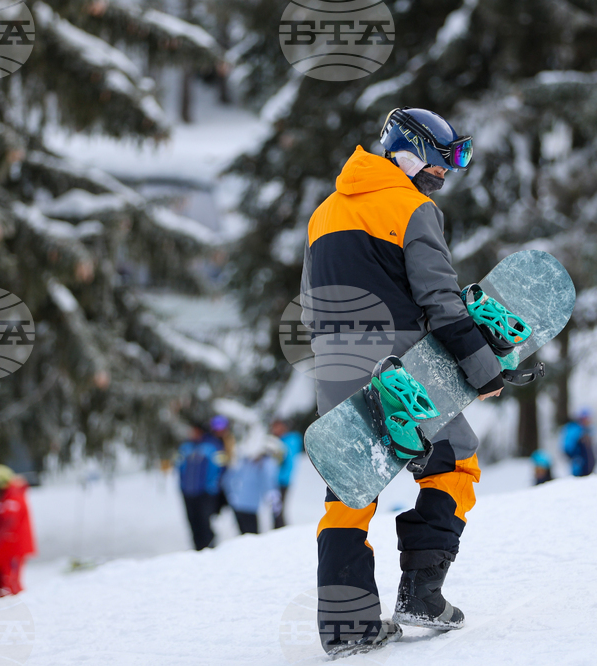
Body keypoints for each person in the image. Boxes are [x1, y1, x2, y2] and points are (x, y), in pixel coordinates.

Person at [302, 108, 504, 654]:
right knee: (454, 460)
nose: (442, 177)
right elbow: (440, 301)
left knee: (350, 482)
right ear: (408, 154)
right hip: (401, 364)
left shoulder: (324, 212)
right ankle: (422, 593)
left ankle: (346, 626)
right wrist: (483, 370)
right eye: (439, 167)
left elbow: (310, 306)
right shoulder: (413, 208)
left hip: (335, 363)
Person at [0, 465, 36, 598]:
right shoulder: (2, 498)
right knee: (4, 580)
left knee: (13, 582)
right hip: (5, 548)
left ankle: (22, 608)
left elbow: (9, 525)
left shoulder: (12, 498)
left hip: (14, 547)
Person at [177, 424, 227, 550]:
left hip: (205, 493)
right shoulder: (185, 447)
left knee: (204, 520)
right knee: (192, 520)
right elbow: (179, 466)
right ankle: (197, 547)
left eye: (194, 431)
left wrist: (212, 486)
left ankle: (209, 546)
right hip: (188, 492)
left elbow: (221, 466)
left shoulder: (212, 445)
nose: (192, 434)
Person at [222, 430, 283, 535]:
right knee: (246, 533)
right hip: (240, 504)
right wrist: (231, 494)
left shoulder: (265, 464)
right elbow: (229, 478)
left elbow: (268, 481)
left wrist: (271, 495)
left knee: (251, 534)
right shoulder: (246, 462)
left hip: (250, 505)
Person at [271, 418, 303, 529]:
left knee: (277, 509)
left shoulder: (287, 441)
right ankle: (279, 530)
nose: (275, 430)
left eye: (278, 427)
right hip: (279, 480)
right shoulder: (284, 441)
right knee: (276, 508)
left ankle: (280, 531)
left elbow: (287, 461)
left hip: (282, 480)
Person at [561, 408, 596, 477]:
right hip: (579, 467)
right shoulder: (574, 429)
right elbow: (567, 447)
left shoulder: (587, 430)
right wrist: (577, 458)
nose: (588, 421)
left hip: (588, 466)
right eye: (586, 418)